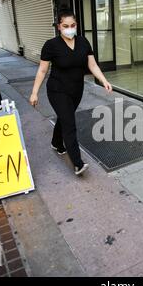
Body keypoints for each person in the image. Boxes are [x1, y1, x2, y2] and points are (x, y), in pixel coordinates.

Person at [30, 10, 113, 176]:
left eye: (73, 25)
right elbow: (42, 70)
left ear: (76, 25)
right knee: (69, 124)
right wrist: (34, 93)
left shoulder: (83, 42)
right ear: (59, 27)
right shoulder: (51, 45)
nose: (70, 29)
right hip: (57, 90)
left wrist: (104, 80)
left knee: (64, 117)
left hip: (76, 90)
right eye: (65, 26)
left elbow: (93, 65)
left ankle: (56, 142)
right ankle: (77, 163)